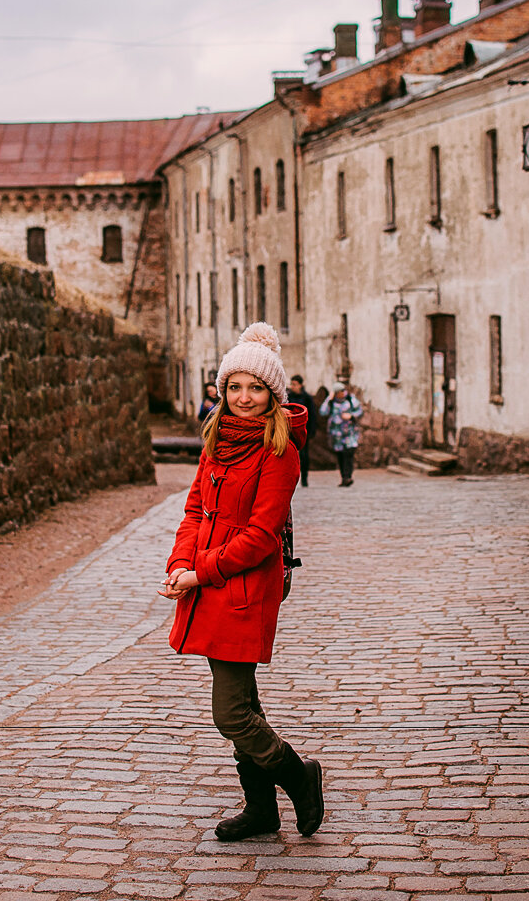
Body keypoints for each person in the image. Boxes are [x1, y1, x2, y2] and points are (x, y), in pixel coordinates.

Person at [159, 322, 324, 842]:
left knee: (230, 713)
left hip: (244, 586)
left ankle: (299, 778)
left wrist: (199, 572)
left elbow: (259, 536)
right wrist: (178, 564)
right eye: (235, 387)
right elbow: (194, 508)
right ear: (222, 390)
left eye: (255, 388)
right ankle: (261, 811)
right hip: (208, 579)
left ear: (273, 393)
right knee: (245, 702)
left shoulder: (280, 451)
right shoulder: (217, 441)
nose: (244, 398)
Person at [319, 381, 363, 486]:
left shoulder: (351, 400)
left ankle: (348, 476)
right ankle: (344, 477)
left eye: (343, 390)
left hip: (349, 434)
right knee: (340, 456)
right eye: (340, 391)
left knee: (348, 454)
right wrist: (328, 399)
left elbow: (360, 411)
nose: (343, 393)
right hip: (336, 435)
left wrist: (351, 416)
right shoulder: (332, 402)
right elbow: (322, 412)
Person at [287, 374, 316, 487]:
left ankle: (304, 478)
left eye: (295, 384)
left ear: (300, 385)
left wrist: (311, 430)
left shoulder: (307, 398)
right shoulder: (288, 397)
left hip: (303, 430)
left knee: (304, 456)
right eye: (292, 384)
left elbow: (312, 414)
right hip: (290, 430)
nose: (293, 386)